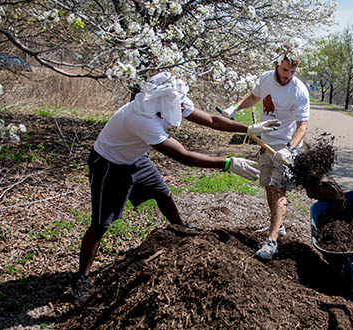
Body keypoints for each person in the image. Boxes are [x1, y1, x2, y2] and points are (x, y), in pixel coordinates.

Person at [74, 72, 280, 303]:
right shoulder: (141, 117)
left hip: (136, 158)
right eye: (178, 102)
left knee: (162, 193)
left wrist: (248, 129)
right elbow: (183, 156)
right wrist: (227, 163)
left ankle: (181, 231)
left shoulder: (169, 100)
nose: (182, 106)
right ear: (163, 99)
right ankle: (82, 277)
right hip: (110, 163)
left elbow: (211, 120)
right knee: (102, 223)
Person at [220, 45, 309, 260]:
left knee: (278, 190)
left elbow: (302, 125)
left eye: (293, 72)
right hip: (265, 142)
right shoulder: (266, 78)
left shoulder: (299, 90)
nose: (288, 75)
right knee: (269, 187)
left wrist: (289, 149)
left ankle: (272, 241)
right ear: (276, 65)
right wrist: (235, 107)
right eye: (285, 70)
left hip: (286, 146)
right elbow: (254, 96)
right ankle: (280, 226)